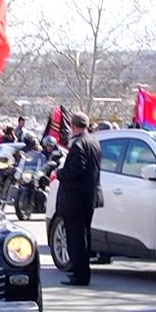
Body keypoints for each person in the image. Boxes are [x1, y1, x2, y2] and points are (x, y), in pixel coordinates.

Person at [56, 112, 103, 286]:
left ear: (74, 127)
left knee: (76, 237)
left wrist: (59, 173)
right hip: (89, 197)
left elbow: (75, 170)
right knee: (84, 235)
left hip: (75, 198)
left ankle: (79, 274)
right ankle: (83, 272)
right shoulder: (94, 142)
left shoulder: (79, 145)